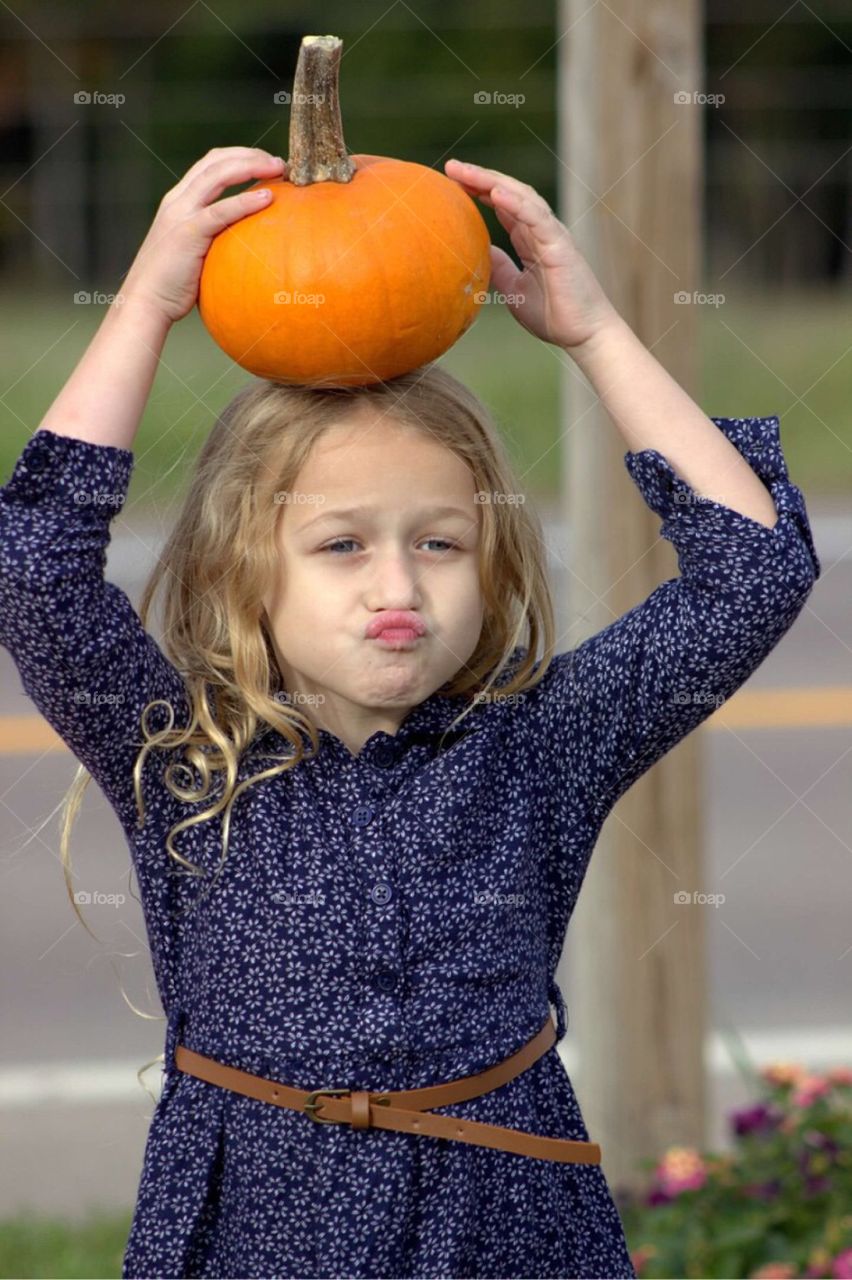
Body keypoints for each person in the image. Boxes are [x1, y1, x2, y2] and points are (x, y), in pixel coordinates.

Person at [0, 147, 820, 1280]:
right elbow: (35, 562)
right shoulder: (180, 749)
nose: (398, 586)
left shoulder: (541, 744)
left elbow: (755, 569)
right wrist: (145, 303)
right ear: (247, 572)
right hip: (253, 1230)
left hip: (510, 1225)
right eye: (341, 544)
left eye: (440, 541)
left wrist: (592, 333)